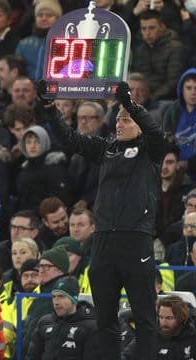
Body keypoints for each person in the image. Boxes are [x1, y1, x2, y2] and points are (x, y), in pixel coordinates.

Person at [40, 80, 164, 360]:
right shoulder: (105, 148)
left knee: (145, 316)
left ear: (139, 124)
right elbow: (70, 138)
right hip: (104, 242)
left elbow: (156, 133)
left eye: (127, 120)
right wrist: (49, 109)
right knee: (105, 317)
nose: (120, 124)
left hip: (136, 240)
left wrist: (130, 103)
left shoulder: (150, 150)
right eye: (118, 119)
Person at [25, 277, 101, 359]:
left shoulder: (91, 327)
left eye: (61, 296)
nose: (56, 302)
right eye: (54, 297)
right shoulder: (44, 322)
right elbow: (32, 356)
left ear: (74, 298)